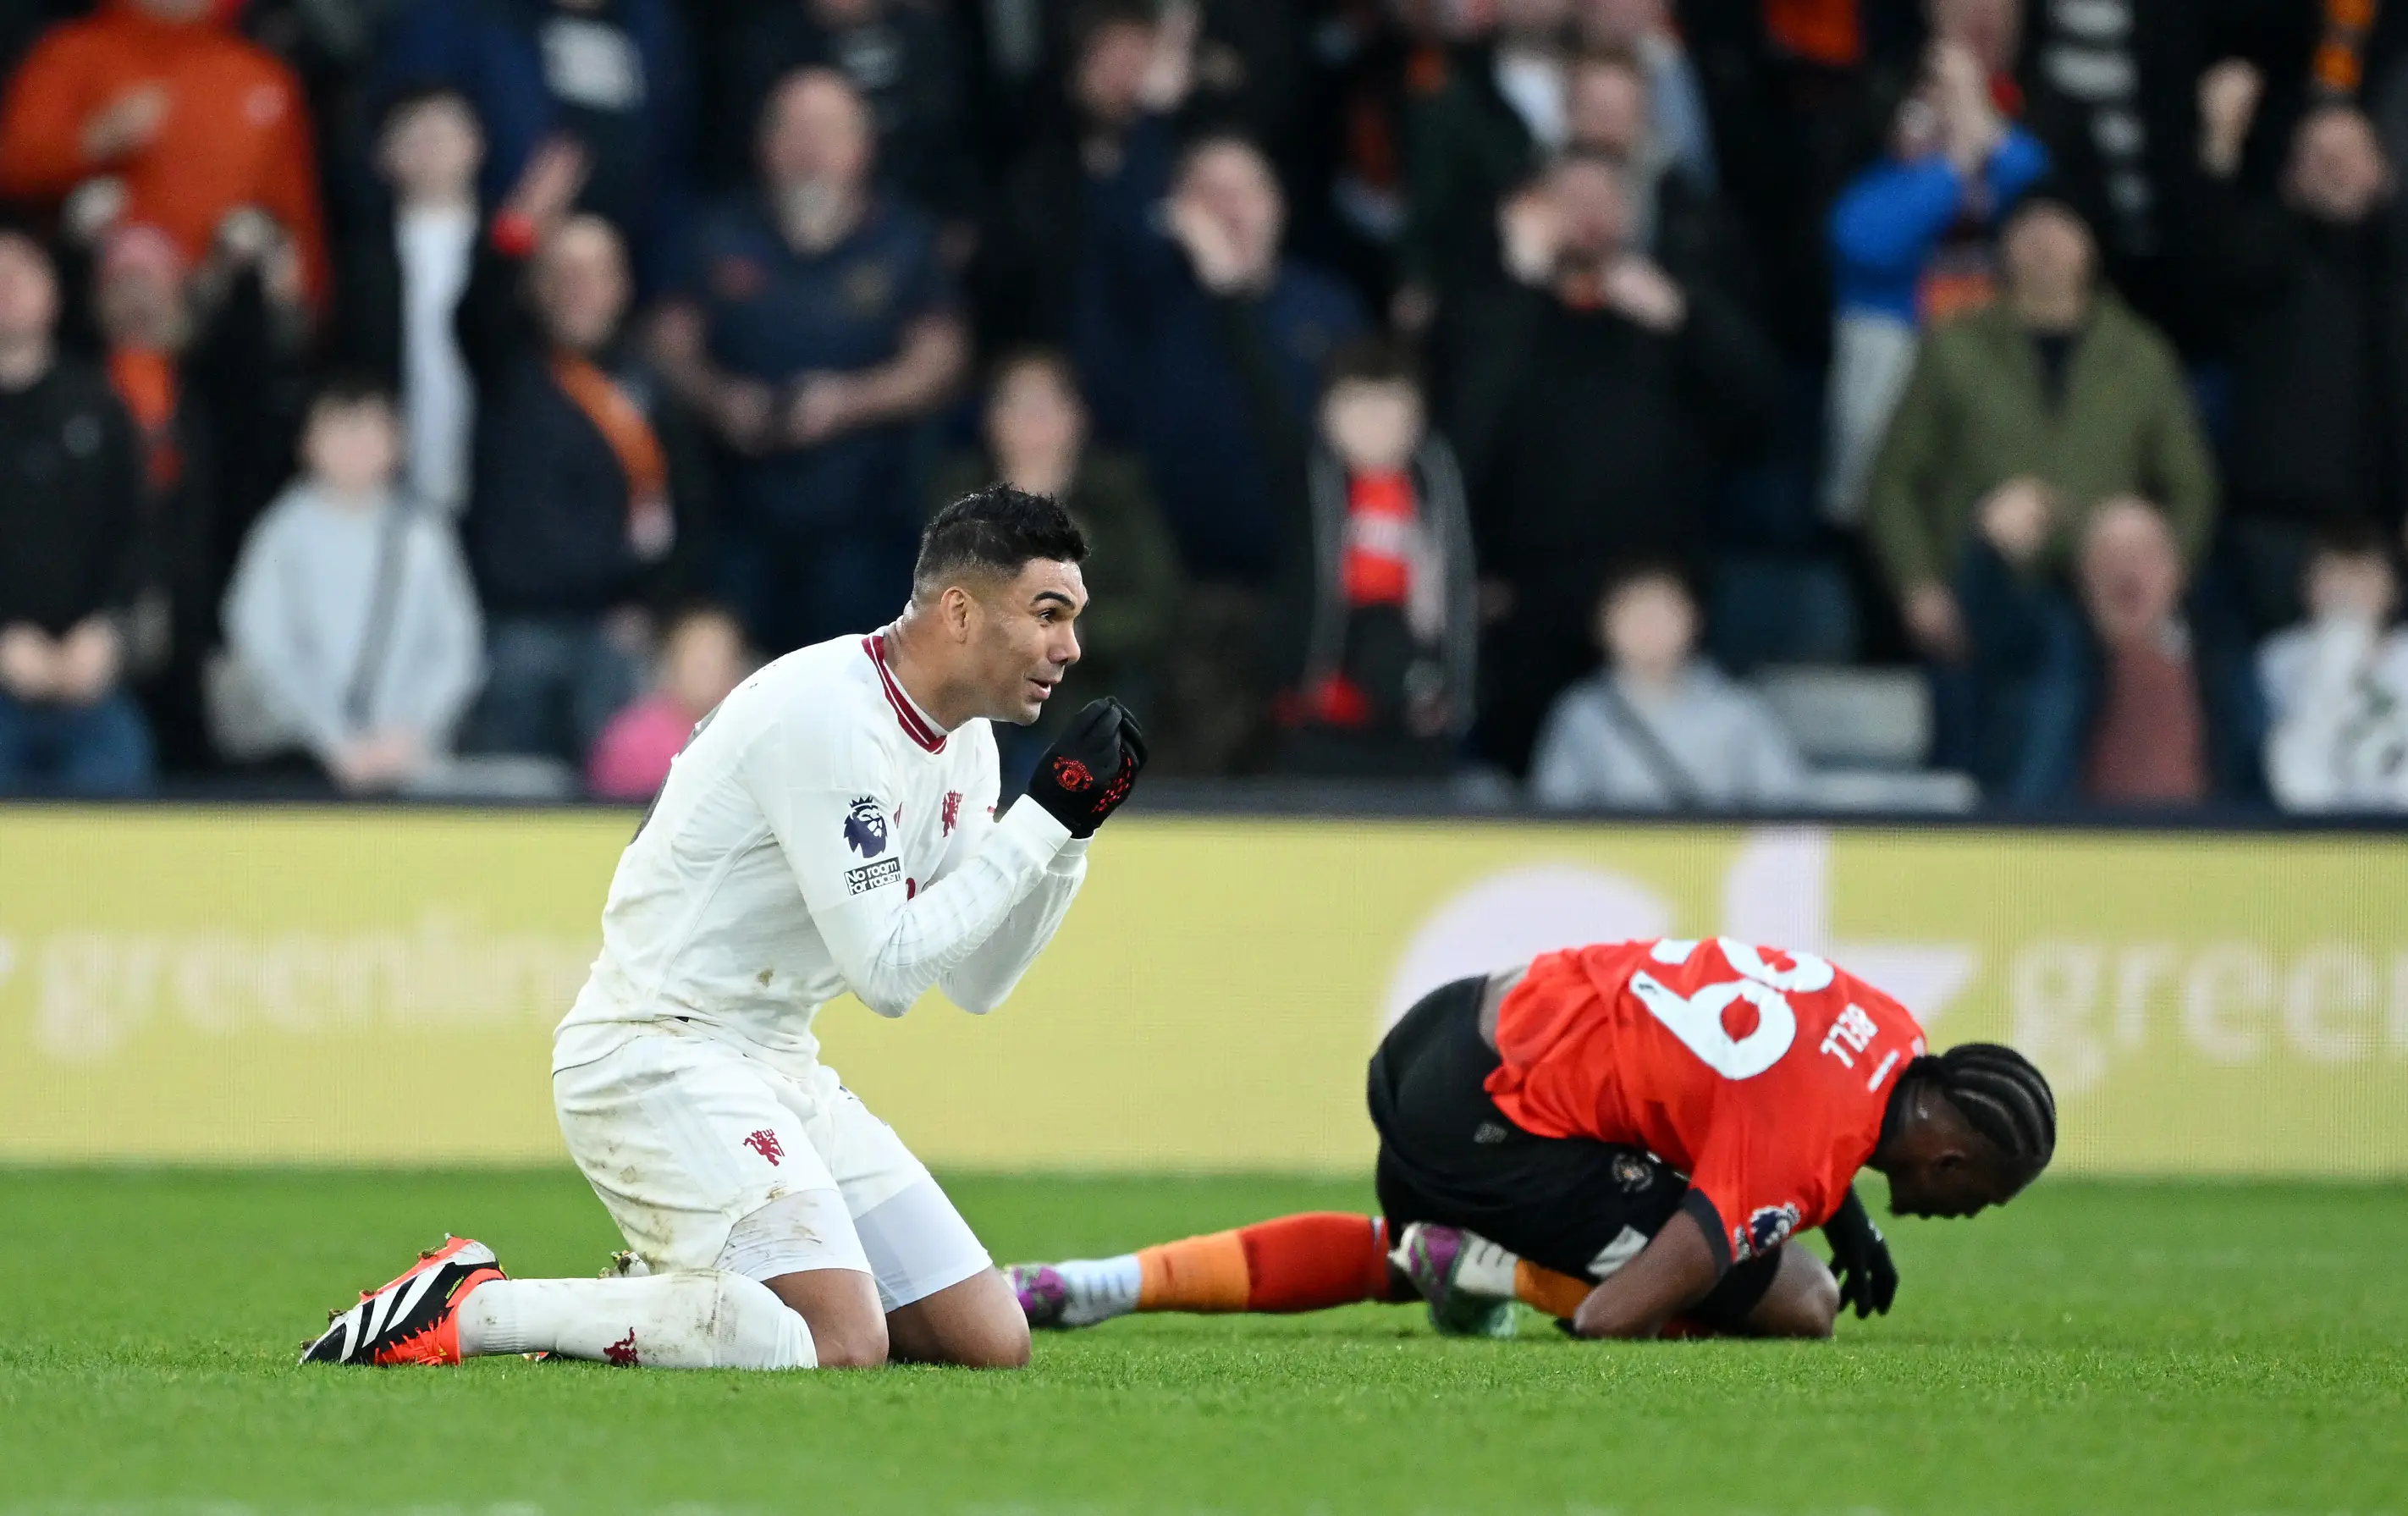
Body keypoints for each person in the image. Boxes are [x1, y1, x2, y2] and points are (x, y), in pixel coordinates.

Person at [300, 487, 1149, 1372]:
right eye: (1048, 614)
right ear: (961, 610)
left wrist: (1069, 836)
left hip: (776, 1064)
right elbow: (888, 976)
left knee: (989, 1339)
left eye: (1074, 619)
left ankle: (688, 1290)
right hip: (653, 1055)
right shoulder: (828, 712)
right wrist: (1040, 821)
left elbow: (977, 984)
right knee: (841, 1342)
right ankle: (475, 1308)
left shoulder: (962, 741)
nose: (1070, 647)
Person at [1009, 936, 2055, 1341]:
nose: (1971, 1214)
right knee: (1796, 1305)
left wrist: (1851, 1217)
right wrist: (1614, 1298)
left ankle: (1096, 1283)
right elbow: (1611, 1320)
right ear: (1954, 1161)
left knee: (1398, 1257)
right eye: (1983, 1196)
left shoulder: (1888, 1025)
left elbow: (1790, 1099)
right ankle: (1496, 1271)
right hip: (1494, 1126)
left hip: (1443, 1037)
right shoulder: (1806, 1146)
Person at [1452, 150, 1778, 774]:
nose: (1589, 217)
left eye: (1606, 201)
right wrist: (1520, 291)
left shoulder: (1669, 306)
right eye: (1570, 201)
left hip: (1653, 596)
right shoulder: (1496, 310)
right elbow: (1463, 436)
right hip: (1528, 603)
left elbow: (1758, 414)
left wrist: (1687, 321)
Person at [1864, 197, 2216, 769]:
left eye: (2062, 226)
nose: (2044, 243)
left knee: (2067, 671)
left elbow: (2190, 485)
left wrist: (2160, 576)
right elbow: (1893, 481)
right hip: (1979, 587)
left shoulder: (2138, 354)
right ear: (2003, 247)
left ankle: (2027, 841)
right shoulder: (1954, 346)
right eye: (2027, 228)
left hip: (2098, 591)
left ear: (2089, 246)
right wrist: (1919, 587)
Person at [654, 68, 967, 655]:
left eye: (827, 131)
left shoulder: (903, 238)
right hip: (737, 517)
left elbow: (942, 357)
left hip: (864, 521)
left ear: (862, 146)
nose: (809, 148)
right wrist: (722, 399)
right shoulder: (718, 232)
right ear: (763, 143)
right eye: (793, 129)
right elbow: (668, 342)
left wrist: (848, 401)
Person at [457, 193, 709, 769]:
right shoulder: (504, 364)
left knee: (619, 801)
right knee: (505, 796)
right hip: (515, 629)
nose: (579, 288)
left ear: (622, 285)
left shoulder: (651, 384)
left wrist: (654, 605)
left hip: (615, 633)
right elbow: (476, 304)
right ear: (536, 285)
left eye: (595, 273)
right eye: (562, 272)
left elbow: (692, 509)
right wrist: (519, 225)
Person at [2197, 62, 2406, 635]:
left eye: (2350, 153)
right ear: (2291, 178)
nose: (2337, 167)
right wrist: (2219, 145)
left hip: (2382, 528)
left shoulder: (2394, 268)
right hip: (2281, 524)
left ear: (2382, 170)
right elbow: (2213, 255)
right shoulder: (2268, 255)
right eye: (2319, 155)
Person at [213, 378, 485, 795]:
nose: (355, 445)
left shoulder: (422, 535)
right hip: (300, 761)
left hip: (408, 758)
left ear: (398, 442)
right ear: (308, 444)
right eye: (340, 429)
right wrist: (331, 739)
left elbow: (457, 646)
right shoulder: (282, 533)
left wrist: (410, 733)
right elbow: (259, 644)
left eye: (370, 430)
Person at [1823, 38, 2047, 521]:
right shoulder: (1869, 195)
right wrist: (1956, 166)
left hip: (1981, 416)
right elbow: (1873, 242)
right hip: (1885, 420)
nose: (1938, 123)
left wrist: (1975, 116)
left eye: (1951, 110)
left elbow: (2035, 176)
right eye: (1924, 110)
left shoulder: (2000, 185)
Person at [0, 0, 330, 306]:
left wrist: (308, 304)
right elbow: (13, 166)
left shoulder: (261, 76)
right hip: (92, 317)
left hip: (222, 319)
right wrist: (93, 141)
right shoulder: (72, 54)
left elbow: (295, 215)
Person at [927, 349, 1178, 749]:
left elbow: (1157, 603)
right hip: (985, 699)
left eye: (1045, 407)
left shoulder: (1117, 495)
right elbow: (933, 599)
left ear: (1076, 418)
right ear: (992, 422)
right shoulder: (960, 499)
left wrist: (1082, 632)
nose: (1032, 424)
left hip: (1095, 687)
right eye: (1018, 406)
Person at [1959, 495, 2260, 808]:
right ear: (2082, 577)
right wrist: (1990, 554)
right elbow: (1993, 625)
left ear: (2177, 573)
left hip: (2208, 846)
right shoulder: (2054, 652)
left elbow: (2254, 775)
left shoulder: (2222, 659)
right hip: (2078, 846)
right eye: (2108, 556)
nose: (2126, 569)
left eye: (2143, 554)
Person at [373, 0, 693, 287]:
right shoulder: (459, 19)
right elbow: (394, 146)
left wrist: (667, 289)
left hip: (623, 283)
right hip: (488, 278)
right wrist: (511, 234)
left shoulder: (650, 22)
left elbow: (675, 164)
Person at [1272, 338, 1476, 777]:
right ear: (1327, 417)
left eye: (1389, 411)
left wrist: (1453, 689)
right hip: (1321, 710)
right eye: (1359, 410)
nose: (1374, 426)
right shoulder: (1307, 486)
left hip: (1412, 711)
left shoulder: (1438, 488)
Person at [0, 227, 154, 796]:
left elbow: (138, 536)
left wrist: (107, 631)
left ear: (54, 295)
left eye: (21, 272)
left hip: (89, 682)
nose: (6, 287)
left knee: (118, 780)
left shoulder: (98, 406)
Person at [331, 85, 490, 517]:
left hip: (493, 481)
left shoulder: (503, 254)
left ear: (475, 145)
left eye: (441, 132)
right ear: (384, 158)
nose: (428, 147)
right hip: (389, 479)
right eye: (411, 136)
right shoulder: (362, 260)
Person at [1529, 564, 1806, 811]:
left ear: (1693, 621)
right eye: (1634, 614)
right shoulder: (1581, 714)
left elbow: (1785, 806)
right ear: (1604, 626)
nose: (1649, 628)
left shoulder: (1738, 712)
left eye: (1662, 613)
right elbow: (1554, 811)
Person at [2261, 521, 2408, 813]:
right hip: (2316, 824)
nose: (2348, 593)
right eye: (2335, 578)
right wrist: (2335, 662)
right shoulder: (2279, 659)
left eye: (2362, 578)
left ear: (2392, 590)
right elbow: (2290, 764)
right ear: (2307, 586)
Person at [586, 604, 752, 800]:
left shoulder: (759, 736)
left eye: (719, 660)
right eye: (699, 663)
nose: (709, 673)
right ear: (672, 664)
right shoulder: (630, 741)